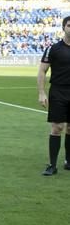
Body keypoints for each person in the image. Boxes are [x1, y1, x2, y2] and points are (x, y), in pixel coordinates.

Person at [37, 15, 70, 176]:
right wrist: (42, 92)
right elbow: (42, 71)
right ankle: (52, 165)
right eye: (69, 25)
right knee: (57, 127)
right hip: (58, 91)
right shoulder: (53, 48)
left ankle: (68, 161)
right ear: (63, 28)